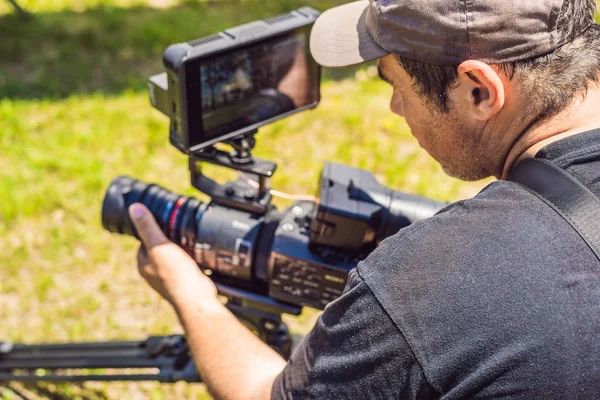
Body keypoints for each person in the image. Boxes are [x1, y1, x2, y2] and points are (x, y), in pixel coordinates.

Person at [127, 0, 600, 398]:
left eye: (394, 84)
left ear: (479, 91)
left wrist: (193, 296)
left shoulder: (432, 288)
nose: (395, 108)